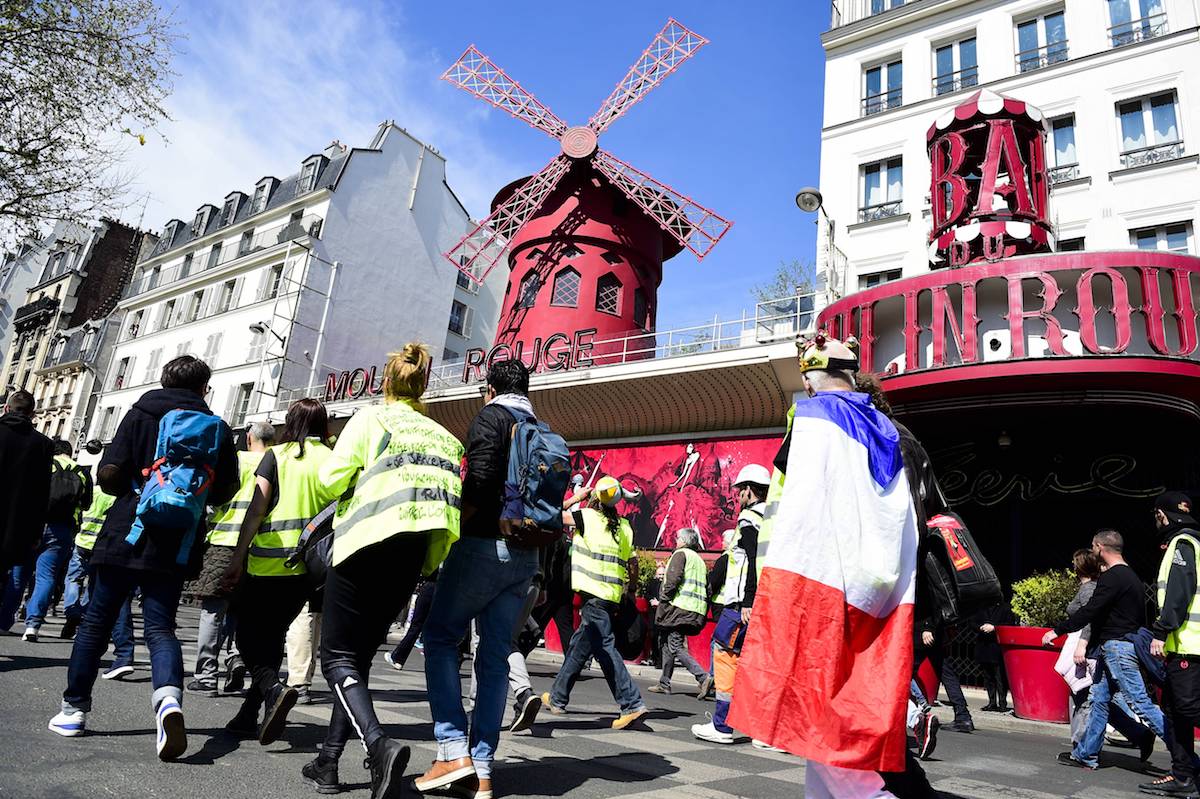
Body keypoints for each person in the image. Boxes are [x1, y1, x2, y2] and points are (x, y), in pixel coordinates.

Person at [729, 335, 920, 799]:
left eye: (808, 374)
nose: (806, 383)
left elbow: (802, 502)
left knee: (820, 715)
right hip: (880, 583)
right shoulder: (891, 429)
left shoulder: (815, 418)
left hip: (820, 580)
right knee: (830, 722)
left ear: (818, 375)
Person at [293, 344, 463, 799]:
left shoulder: (371, 419)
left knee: (336, 658)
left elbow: (331, 480)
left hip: (365, 543)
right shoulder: (446, 439)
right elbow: (448, 511)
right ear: (424, 386)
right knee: (357, 660)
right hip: (409, 557)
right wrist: (428, 563)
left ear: (385, 382)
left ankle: (379, 745)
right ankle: (328, 762)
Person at [50, 355, 239, 762]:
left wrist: (142, 481)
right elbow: (225, 490)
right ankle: (169, 701)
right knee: (160, 628)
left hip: (125, 531)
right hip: (177, 540)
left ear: (163, 379)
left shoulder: (139, 413)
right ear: (205, 387)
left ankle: (73, 711)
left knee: (97, 622)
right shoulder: (218, 428)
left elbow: (110, 474)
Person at [413, 358, 540, 799]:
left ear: (489, 389)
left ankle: (452, 750)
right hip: (526, 554)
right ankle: (483, 768)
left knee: (441, 637)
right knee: (494, 655)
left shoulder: (493, 416)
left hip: (483, 545)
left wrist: (456, 528)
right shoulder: (538, 424)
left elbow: (481, 477)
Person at [221, 398, 335, 746]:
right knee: (273, 637)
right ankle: (251, 712)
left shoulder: (279, 456)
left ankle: (272, 689)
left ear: (291, 422)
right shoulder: (334, 459)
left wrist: (238, 556)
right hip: (311, 570)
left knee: (247, 639)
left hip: (268, 563)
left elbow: (257, 510)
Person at [1045, 529, 1166, 770]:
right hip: (1111, 648)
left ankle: (1186, 759)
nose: (1092, 551)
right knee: (1099, 700)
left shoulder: (1113, 578)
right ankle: (1086, 754)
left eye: (1093, 546)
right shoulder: (1132, 577)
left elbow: (1091, 612)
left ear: (1101, 547)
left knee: (1139, 703)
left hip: (1116, 649)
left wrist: (1058, 631)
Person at [540, 473, 647, 732]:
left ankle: (631, 703)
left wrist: (577, 497)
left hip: (593, 598)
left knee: (605, 648)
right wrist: (631, 591)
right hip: (612, 598)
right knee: (579, 646)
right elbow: (632, 564)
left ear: (596, 498)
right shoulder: (625, 528)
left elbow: (550, 515)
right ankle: (557, 697)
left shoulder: (587, 517)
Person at [187, 421, 275, 696]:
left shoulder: (235, 460)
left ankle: (206, 675)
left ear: (248, 438)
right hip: (258, 545)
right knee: (244, 610)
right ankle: (236, 657)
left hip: (223, 542)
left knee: (213, 611)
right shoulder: (277, 463)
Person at [692, 464, 768, 744]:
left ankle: (722, 726)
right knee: (756, 663)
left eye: (739, 491)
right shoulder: (772, 517)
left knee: (724, 654)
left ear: (748, 490)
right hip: (764, 601)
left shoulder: (749, 518)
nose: (737, 496)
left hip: (741, 604)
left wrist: (748, 600)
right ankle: (765, 732)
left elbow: (750, 560)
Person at [1141, 492, 1200, 798]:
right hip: (1189, 647)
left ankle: (1184, 776)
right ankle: (1183, 775)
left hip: (1188, 646)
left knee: (1184, 711)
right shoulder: (1195, 542)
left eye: (1156, 515)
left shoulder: (1183, 544)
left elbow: (1179, 593)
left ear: (1163, 515)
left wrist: (1161, 632)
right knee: (1177, 711)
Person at [2, 439, 91, 639]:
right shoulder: (82, 472)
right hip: (61, 529)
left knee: (19, 575)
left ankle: (4, 621)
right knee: (46, 577)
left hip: (32, 524)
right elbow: (86, 504)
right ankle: (32, 625)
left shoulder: (45, 464)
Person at [61, 486, 137, 679]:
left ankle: (73, 612)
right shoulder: (133, 491)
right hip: (115, 546)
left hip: (90, 543)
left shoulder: (99, 490)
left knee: (78, 582)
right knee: (109, 598)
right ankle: (119, 653)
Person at [649, 527, 712, 697]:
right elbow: (708, 588)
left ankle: (703, 677)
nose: (676, 540)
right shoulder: (699, 560)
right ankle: (664, 683)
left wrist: (663, 598)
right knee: (668, 643)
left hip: (679, 607)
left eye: (677, 538)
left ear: (684, 541)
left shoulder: (680, 554)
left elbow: (672, 580)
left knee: (675, 645)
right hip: (694, 609)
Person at [0, 390, 53, 581]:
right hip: (14, 530)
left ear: (6, 408)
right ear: (32, 414)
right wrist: (35, 533)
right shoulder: (43, 445)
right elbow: (41, 493)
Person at [1065, 548, 1102, 745]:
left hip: (1085, 648)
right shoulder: (1086, 587)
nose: (1072, 565)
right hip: (1084, 645)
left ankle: (1080, 744)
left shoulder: (1088, 589)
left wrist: (1082, 646)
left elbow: (1090, 618)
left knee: (1082, 695)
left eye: (1074, 561)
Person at [383, 574, 437, 670]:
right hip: (446, 589)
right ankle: (441, 662)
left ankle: (398, 657)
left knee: (416, 626)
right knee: (437, 628)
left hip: (431, 585)